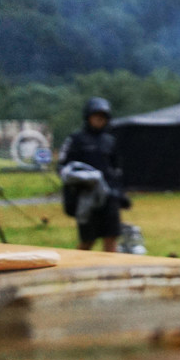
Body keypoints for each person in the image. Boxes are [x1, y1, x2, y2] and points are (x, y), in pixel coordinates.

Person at [58, 97, 131, 252]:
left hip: (108, 196)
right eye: (96, 115)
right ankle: (76, 266)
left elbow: (116, 170)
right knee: (88, 240)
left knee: (111, 237)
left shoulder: (110, 141)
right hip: (86, 197)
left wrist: (120, 193)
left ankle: (109, 267)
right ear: (88, 117)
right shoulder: (76, 140)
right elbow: (63, 167)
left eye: (103, 116)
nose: (99, 119)